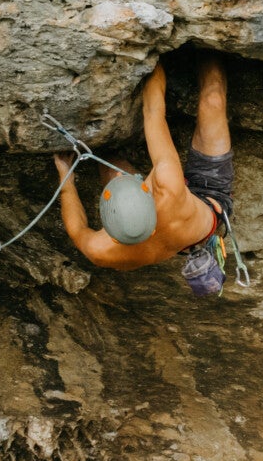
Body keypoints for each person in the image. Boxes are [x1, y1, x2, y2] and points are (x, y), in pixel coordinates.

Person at [54, 55, 235, 296]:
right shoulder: (166, 184)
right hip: (209, 198)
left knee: (111, 163)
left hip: (179, 209)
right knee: (213, 100)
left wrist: (65, 177)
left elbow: (77, 229)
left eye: (125, 181)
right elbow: (153, 112)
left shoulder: (101, 248)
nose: (122, 177)